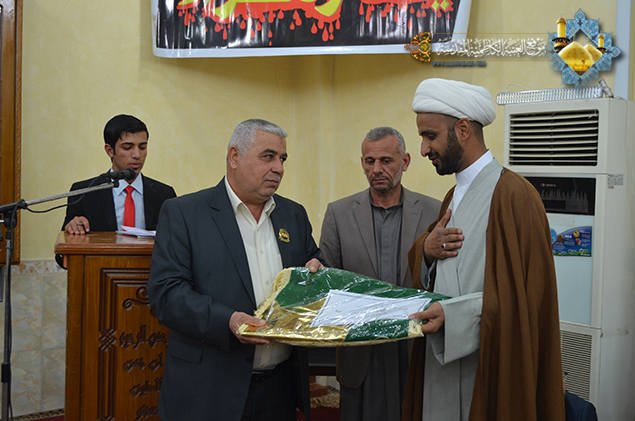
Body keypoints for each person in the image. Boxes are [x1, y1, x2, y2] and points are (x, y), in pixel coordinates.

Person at [401, 79, 565, 421]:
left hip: (490, 371)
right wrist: (426, 252)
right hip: (439, 370)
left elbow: (528, 303)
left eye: (430, 136)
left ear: (462, 130)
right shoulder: (452, 196)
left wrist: (454, 316)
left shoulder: (515, 196)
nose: (423, 149)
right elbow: (439, 273)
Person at [147, 119, 323, 421]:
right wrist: (227, 321)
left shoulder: (293, 214)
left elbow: (312, 264)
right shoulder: (184, 213)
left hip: (278, 389)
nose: (279, 168)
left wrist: (317, 272)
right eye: (268, 156)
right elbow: (166, 294)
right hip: (209, 388)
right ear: (234, 157)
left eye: (282, 159)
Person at [319, 127, 440, 421]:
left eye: (386, 160)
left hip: (414, 350)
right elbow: (328, 284)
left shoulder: (434, 213)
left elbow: (443, 279)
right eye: (369, 161)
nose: (377, 169)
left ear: (405, 161)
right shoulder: (338, 214)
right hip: (360, 355)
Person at [56, 114, 176, 267]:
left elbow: (177, 247)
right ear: (109, 150)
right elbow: (63, 258)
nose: (137, 155)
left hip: (149, 277)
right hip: (101, 275)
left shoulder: (164, 195)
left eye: (142, 147)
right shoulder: (84, 193)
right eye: (127, 148)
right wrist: (73, 230)